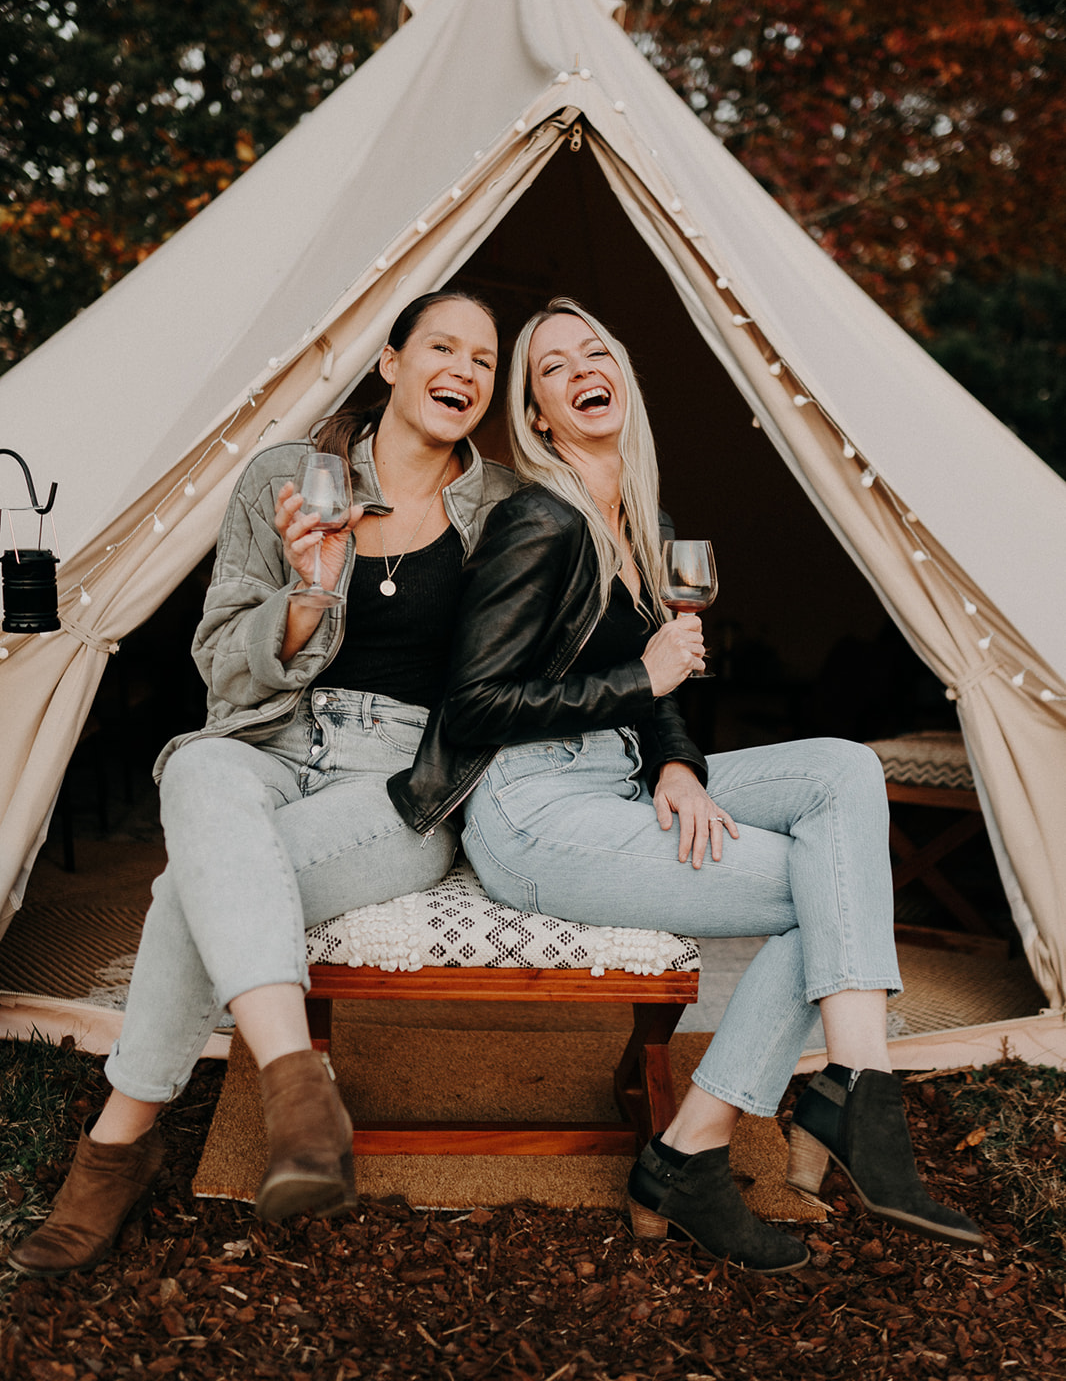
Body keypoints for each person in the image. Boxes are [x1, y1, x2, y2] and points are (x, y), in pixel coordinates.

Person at [391, 296, 982, 1276]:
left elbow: (652, 686)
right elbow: (475, 703)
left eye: (595, 350)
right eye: (550, 366)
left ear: (621, 374)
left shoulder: (645, 520)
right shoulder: (536, 519)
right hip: (532, 810)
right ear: (537, 415)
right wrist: (643, 680)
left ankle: (793, 1106)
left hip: (619, 777)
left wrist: (675, 760)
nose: (581, 368)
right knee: (821, 885)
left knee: (843, 769)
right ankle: (794, 1119)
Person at [10, 290, 514, 1279]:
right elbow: (220, 667)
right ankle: (297, 1083)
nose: (462, 369)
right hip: (269, 734)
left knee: (191, 882)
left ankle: (119, 1145)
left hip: (402, 774)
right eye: (442, 347)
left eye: (484, 360)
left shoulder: (504, 511)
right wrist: (311, 587)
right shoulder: (286, 479)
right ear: (392, 363)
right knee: (200, 765)